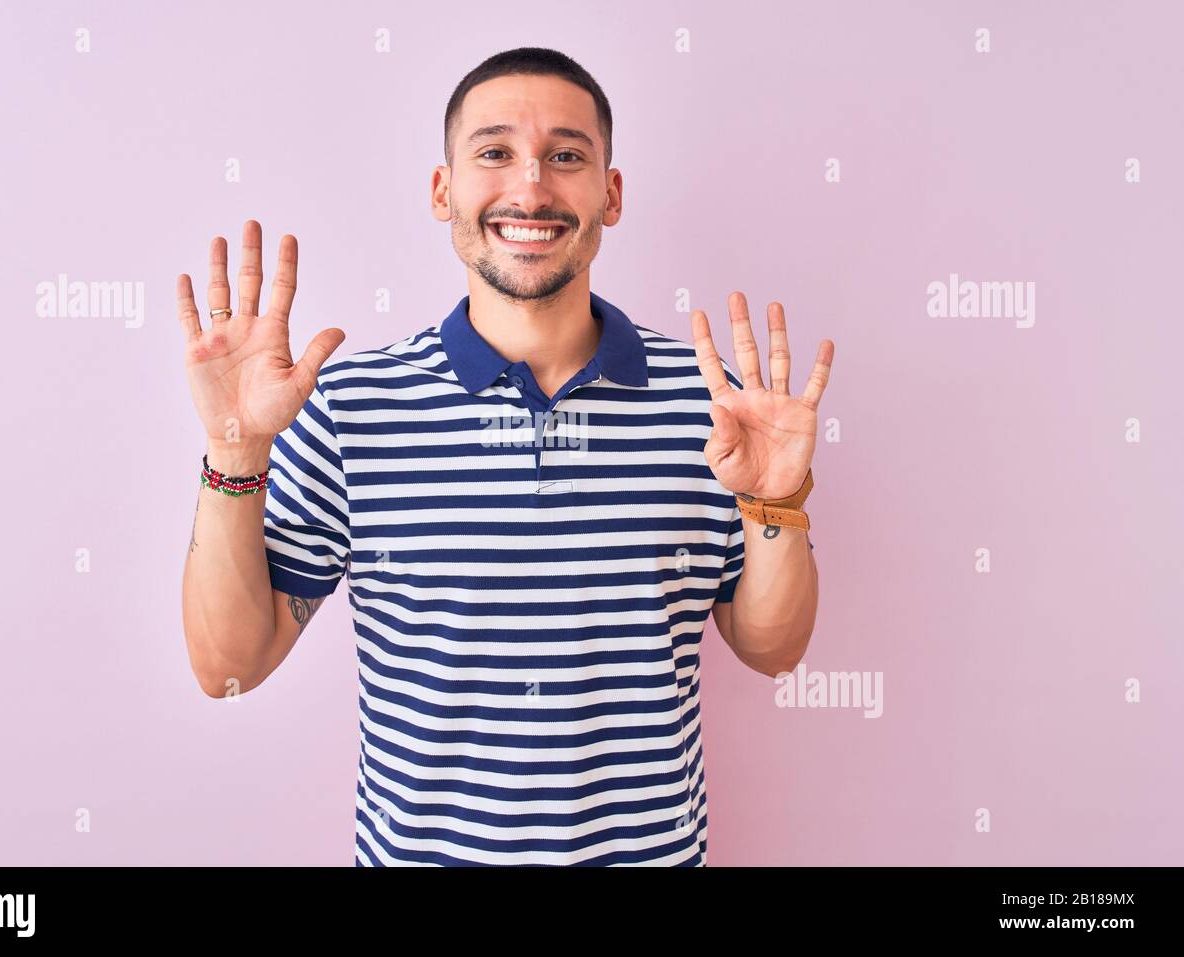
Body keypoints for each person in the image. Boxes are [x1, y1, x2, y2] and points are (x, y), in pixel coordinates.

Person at [178, 47, 835, 866]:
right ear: (443, 191)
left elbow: (772, 649)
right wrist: (233, 448)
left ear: (612, 193)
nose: (531, 187)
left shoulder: (715, 405)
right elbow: (226, 664)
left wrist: (777, 505)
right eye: (494, 153)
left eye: (566, 155)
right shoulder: (350, 406)